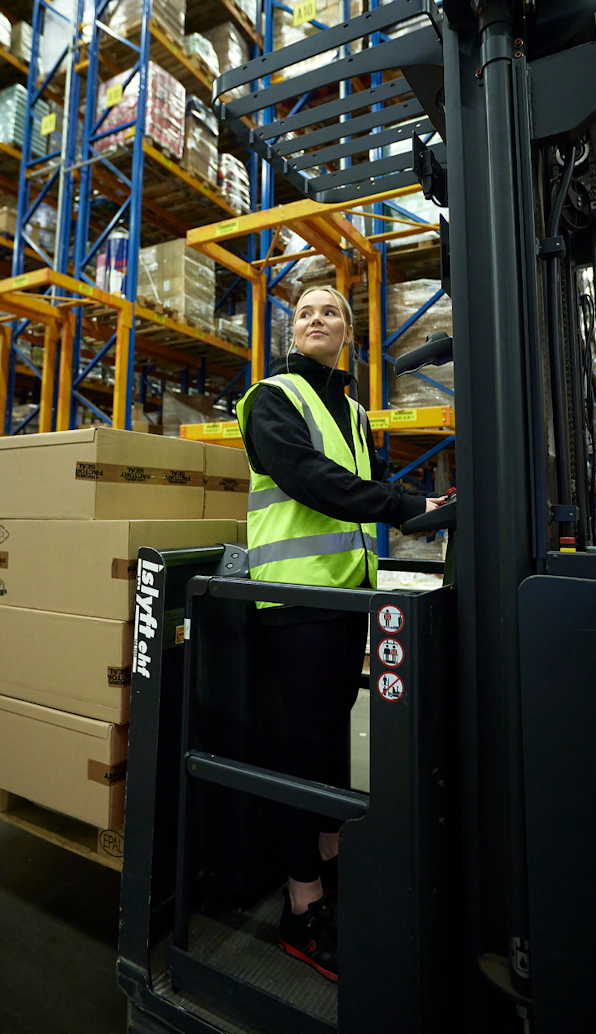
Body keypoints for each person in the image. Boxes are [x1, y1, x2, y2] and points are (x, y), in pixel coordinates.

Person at [235, 286, 444, 983]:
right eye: (305, 312)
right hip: (295, 597)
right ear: (294, 332)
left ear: (348, 333)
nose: (316, 318)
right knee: (305, 745)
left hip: (347, 592)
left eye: (330, 311)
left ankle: (328, 865)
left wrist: (430, 508)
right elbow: (310, 479)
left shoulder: (352, 412)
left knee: (330, 738)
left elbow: (372, 486)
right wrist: (405, 505)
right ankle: (300, 905)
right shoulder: (271, 398)